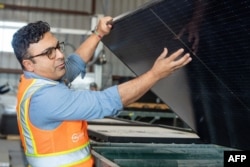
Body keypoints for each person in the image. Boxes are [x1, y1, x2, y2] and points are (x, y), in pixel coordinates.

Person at [11, 16, 192, 167]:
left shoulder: (37, 80)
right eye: (49, 52)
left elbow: (74, 63)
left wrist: (98, 34)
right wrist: (155, 74)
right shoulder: (45, 98)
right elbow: (107, 101)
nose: (59, 55)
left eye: (58, 47)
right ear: (29, 64)